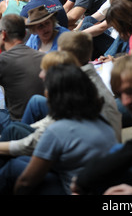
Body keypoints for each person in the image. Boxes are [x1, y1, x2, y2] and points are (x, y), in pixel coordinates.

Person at [6, 64, 118, 195]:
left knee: (12, 166)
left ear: (53, 95)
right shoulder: (100, 119)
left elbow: (25, 182)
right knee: (18, 159)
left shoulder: (58, 130)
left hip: (71, 190)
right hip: (88, 184)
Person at [0, 14, 44, 132]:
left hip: (18, 124)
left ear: (3, 34)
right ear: (25, 34)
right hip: (44, 122)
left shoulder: (3, 60)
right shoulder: (43, 57)